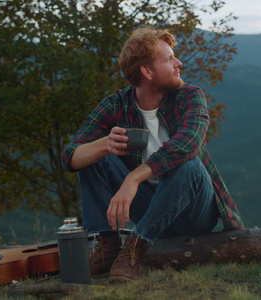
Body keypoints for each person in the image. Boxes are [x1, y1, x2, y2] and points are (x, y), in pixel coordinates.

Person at [61, 27, 243, 282]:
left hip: (194, 212)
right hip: (150, 207)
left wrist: (132, 179)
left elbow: (186, 146)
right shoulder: (116, 104)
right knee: (94, 157)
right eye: (169, 59)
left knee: (189, 165)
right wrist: (105, 145)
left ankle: (134, 248)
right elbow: (70, 157)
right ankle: (109, 245)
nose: (178, 63)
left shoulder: (190, 97)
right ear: (146, 71)